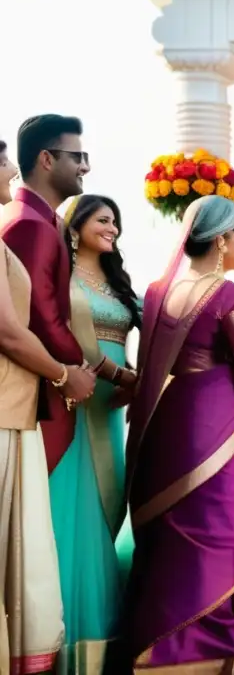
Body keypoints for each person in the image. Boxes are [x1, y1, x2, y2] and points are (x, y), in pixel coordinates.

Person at [120, 195, 234, 673]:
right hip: (213, 436)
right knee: (214, 535)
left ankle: (156, 650)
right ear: (222, 240)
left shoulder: (159, 293)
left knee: (171, 538)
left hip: (165, 430)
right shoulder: (230, 298)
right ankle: (206, 654)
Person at [0, 140, 94, 674]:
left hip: (21, 407)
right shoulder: (28, 226)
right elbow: (19, 328)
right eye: (3, 160)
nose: (10, 171)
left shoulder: (26, 224)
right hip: (14, 409)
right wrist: (67, 374)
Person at [52, 195, 141, 672]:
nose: (112, 229)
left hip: (113, 411)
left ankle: (105, 645)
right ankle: (69, 641)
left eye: (116, 222)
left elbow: (152, 334)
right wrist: (124, 377)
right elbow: (62, 337)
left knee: (110, 509)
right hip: (77, 402)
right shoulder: (60, 279)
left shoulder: (118, 283)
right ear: (76, 225)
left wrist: (142, 380)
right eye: (103, 220)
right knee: (75, 516)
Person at [0, 114, 92, 475]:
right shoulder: (28, 224)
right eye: (77, 157)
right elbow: (38, 317)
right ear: (47, 159)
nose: (85, 166)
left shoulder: (47, 221)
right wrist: (76, 371)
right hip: (36, 392)